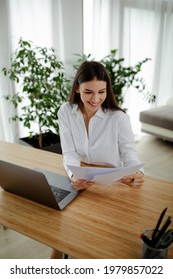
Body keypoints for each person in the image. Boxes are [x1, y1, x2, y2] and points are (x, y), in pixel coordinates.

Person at [50, 61, 144, 258]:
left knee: (99, 241)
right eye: (88, 92)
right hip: (80, 177)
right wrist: (74, 174)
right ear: (77, 88)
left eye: (101, 91)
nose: (96, 99)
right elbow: (69, 152)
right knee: (59, 234)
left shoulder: (118, 118)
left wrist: (137, 173)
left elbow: (129, 154)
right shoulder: (65, 112)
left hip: (111, 183)